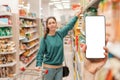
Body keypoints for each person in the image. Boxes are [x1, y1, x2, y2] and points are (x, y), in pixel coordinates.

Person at [35, 7, 108, 80]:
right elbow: (40, 53)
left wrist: (76, 16)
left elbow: (69, 26)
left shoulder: (60, 34)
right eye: (49, 23)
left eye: (53, 22)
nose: (52, 24)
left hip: (60, 68)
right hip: (48, 68)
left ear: (56, 24)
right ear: (47, 26)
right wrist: (38, 64)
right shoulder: (44, 39)